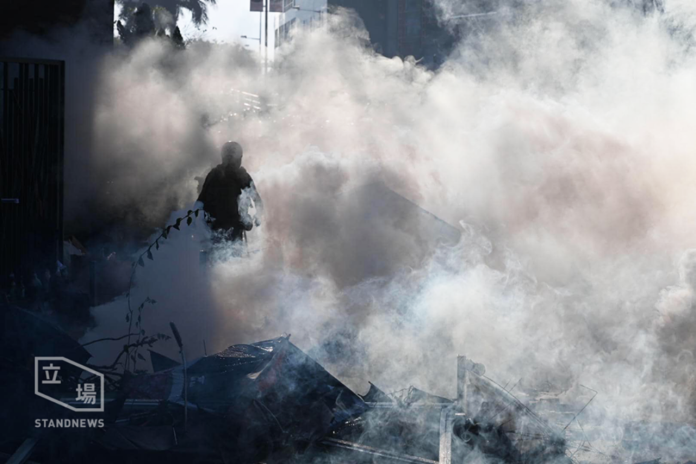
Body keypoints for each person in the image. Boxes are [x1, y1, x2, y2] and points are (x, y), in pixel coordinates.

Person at [197, 142, 264, 244]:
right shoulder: (240, 176)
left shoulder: (215, 175)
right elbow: (199, 205)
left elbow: (198, 205)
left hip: (219, 232)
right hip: (222, 232)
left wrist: (255, 218)